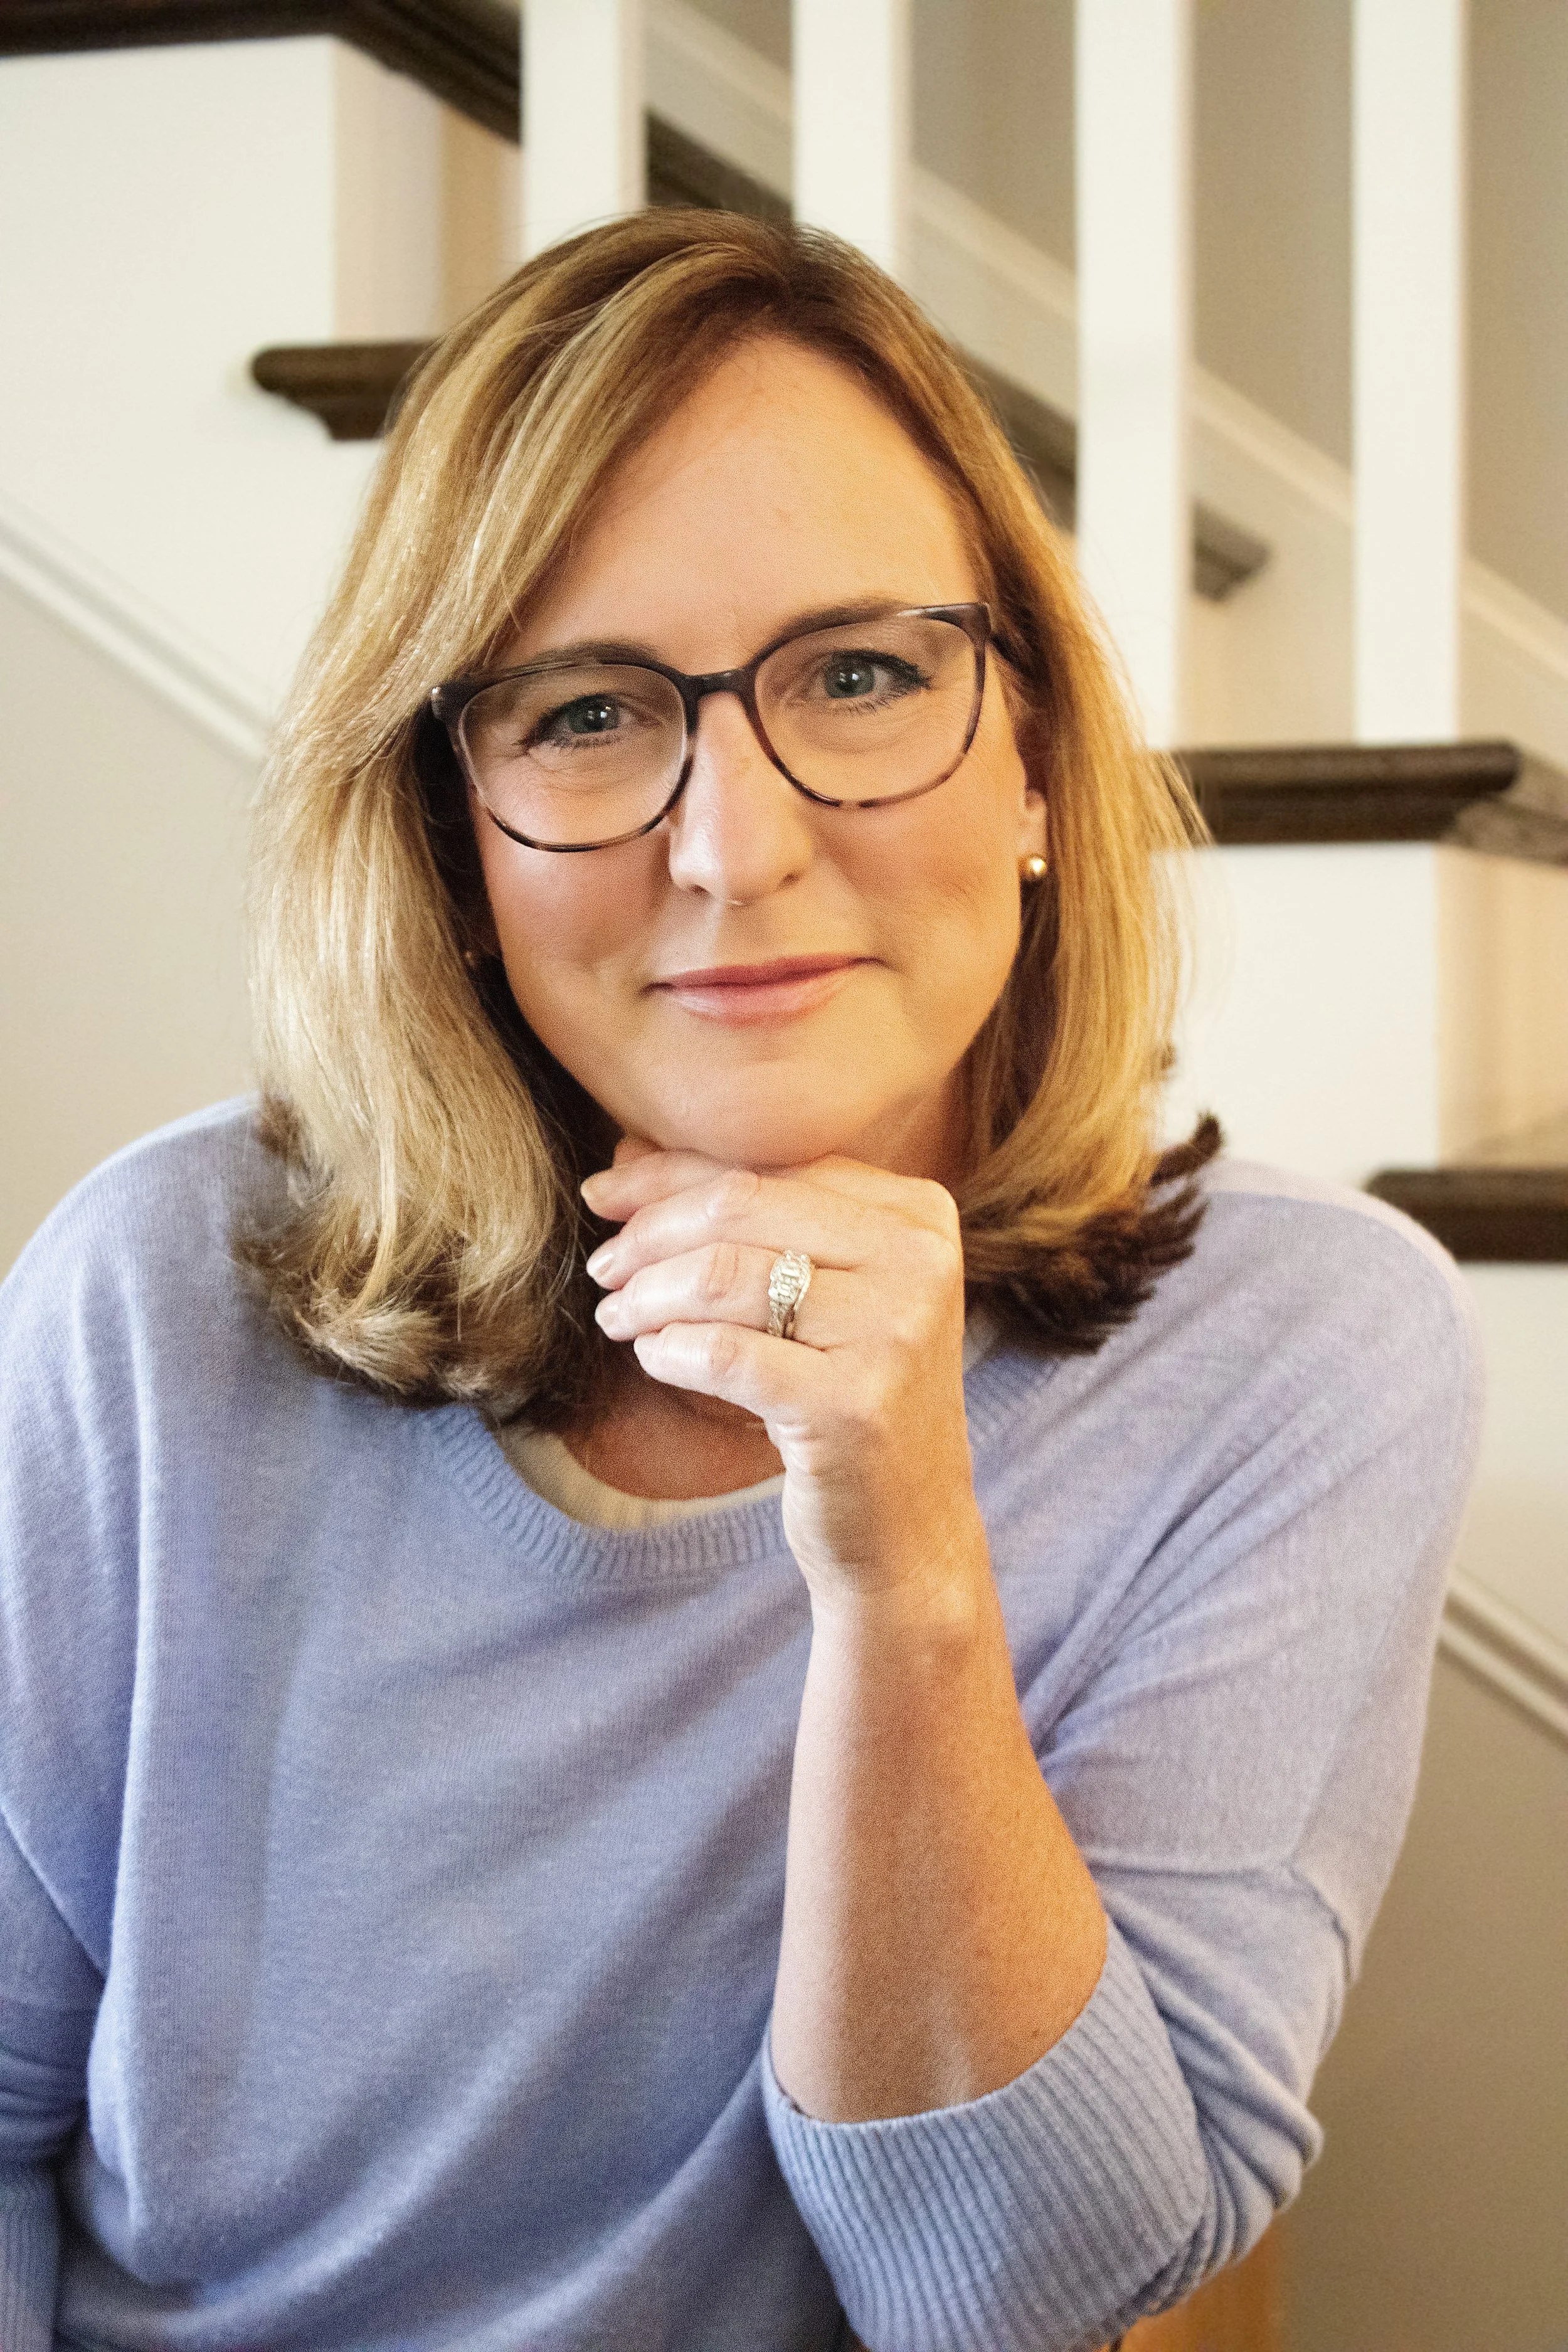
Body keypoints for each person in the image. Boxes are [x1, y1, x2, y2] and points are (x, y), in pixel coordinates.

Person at [0, 211, 1480, 2352]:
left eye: (861, 675)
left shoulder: (1303, 1348)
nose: (735, 845)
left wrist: (902, 1560)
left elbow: (1025, 2287)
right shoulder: (161, 1290)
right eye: (591, 711)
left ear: (1038, 757)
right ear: (450, 828)